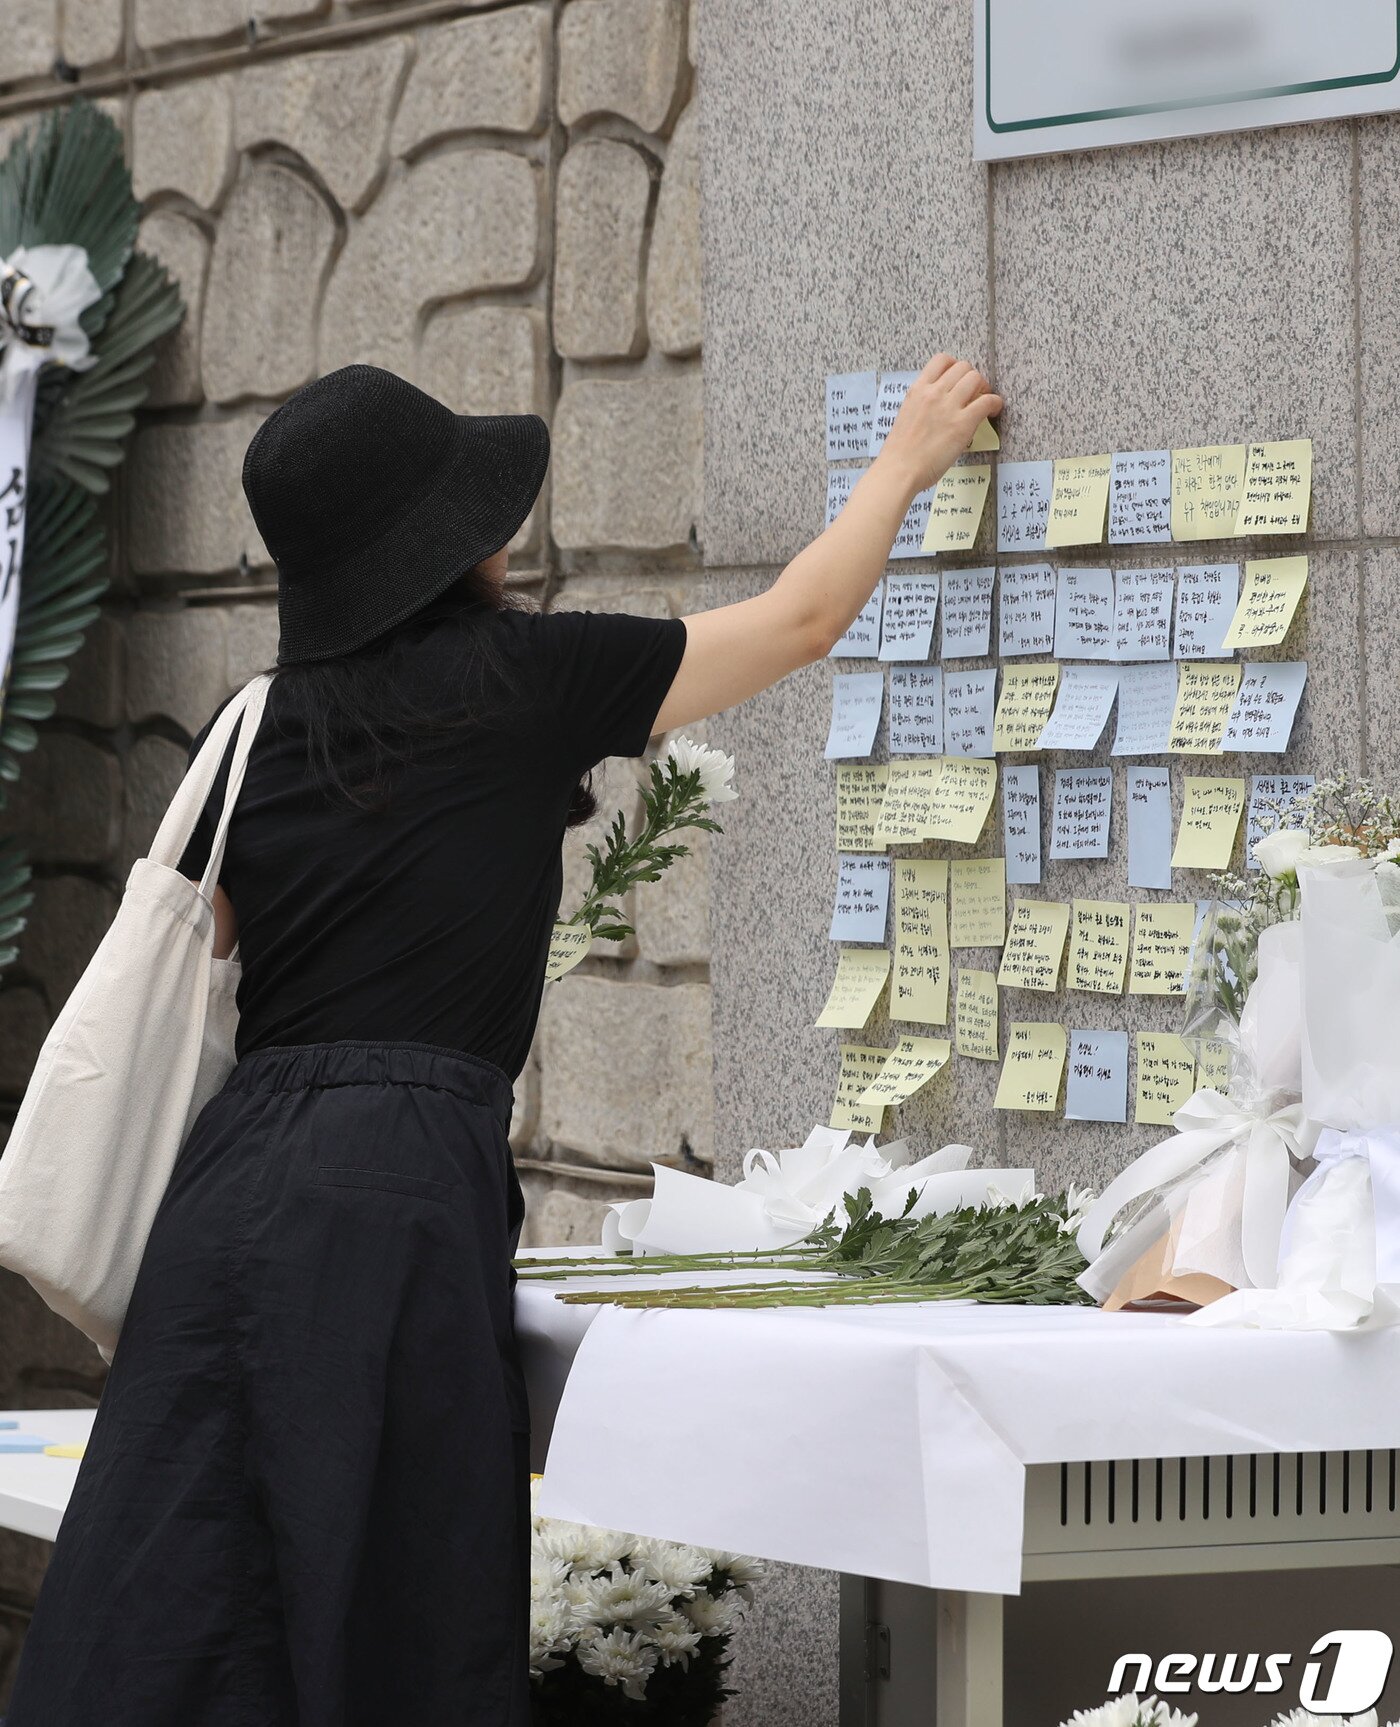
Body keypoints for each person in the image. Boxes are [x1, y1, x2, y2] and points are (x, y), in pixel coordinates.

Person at [4, 354, 999, 1726]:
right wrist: (906, 459)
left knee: (190, 1594)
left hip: (232, 1187)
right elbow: (802, 620)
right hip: (401, 1183)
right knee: (395, 1598)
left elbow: (226, 955)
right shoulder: (525, 680)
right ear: (453, 539)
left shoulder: (260, 725)